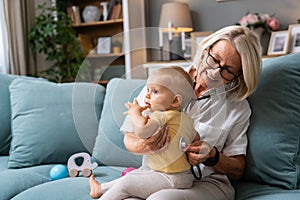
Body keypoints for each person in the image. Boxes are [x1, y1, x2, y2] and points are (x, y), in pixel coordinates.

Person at [121, 25, 262, 200]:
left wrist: (212, 156)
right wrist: (145, 146)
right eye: (215, 59)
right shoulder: (164, 79)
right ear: (206, 50)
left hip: (207, 184)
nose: (215, 72)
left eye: (228, 71)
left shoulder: (237, 109)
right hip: (156, 176)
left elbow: (237, 169)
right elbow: (128, 136)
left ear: (238, 76)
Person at [89, 66, 200, 199]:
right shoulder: (187, 119)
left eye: (155, 91)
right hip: (184, 177)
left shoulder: (162, 115)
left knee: (127, 183)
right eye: (148, 89)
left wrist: (135, 113)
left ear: (175, 101)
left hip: (168, 177)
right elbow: (196, 138)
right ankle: (101, 188)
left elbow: (142, 131)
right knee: (134, 176)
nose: (147, 95)